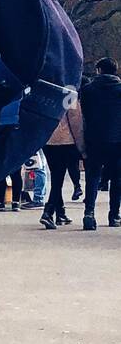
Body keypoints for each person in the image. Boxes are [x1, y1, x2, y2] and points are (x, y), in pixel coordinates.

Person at [79, 57, 121, 230]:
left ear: (99, 70)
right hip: (118, 141)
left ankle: (89, 213)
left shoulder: (88, 90)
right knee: (117, 179)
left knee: (93, 177)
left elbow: (82, 116)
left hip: (94, 139)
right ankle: (114, 215)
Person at [40, 100, 85, 229]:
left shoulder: (47, 89)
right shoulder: (69, 92)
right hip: (65, 140)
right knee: (57, 180)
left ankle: (60, 213)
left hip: (47, 140)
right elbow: (75, 121)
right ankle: (48, 212)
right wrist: (81, 146)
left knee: (55, 177)